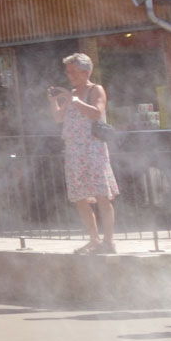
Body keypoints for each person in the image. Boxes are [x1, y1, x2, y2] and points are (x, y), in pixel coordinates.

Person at [49, 53, 118, 255]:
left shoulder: (95, 90)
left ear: (85, 72)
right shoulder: (73, 93)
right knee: (79, 196)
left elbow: (97, 112)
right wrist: (53, 101)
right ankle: (94, 240)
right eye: (68, 71)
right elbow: (58, 118)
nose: (69, 75)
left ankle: (108, 241)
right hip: (74, 150)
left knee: (102, 196)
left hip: (93, 149)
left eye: (72, 71)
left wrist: (74, 100)